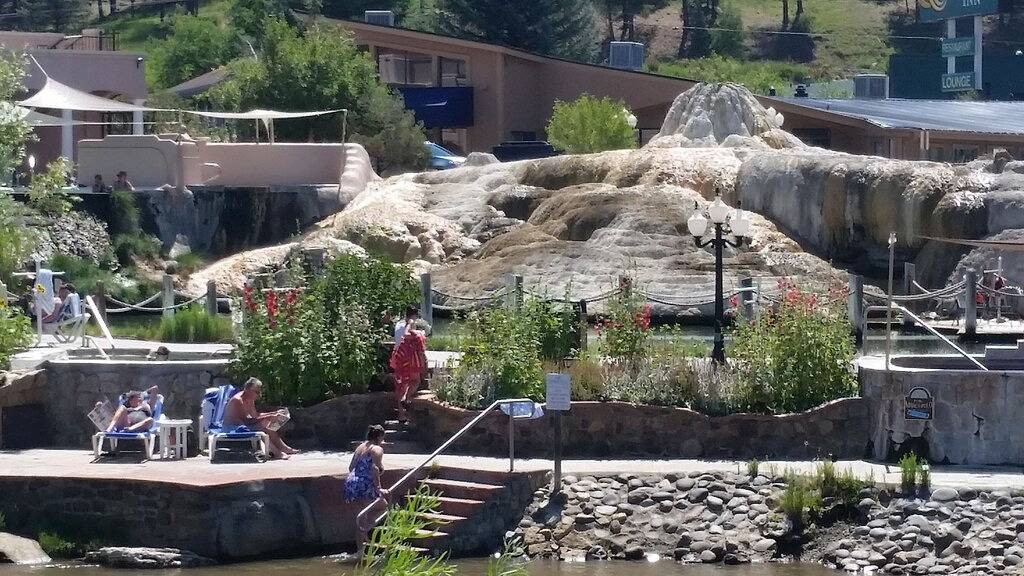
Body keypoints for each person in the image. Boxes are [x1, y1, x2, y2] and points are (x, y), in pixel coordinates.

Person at [223, 377, 298, 460]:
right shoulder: (238, 401)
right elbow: (247, 421)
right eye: (257, 392)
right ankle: (277, 453)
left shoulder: (249, 399)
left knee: (269, 424)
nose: (259, 395)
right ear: (248, 389)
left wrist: (274, 413)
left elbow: (255, 415)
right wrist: (269, 416)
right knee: (262, 427)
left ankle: (283, 448)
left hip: (243, 425)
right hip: (233, 427)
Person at [345, 424, 389, 559]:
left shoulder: (360, 447)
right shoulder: (377, 449)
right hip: (365, 484)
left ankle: (360, 550)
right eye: (383, 438)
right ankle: (367, 530)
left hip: (351, 482)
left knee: (361, 515)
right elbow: (375, 468)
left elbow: (351, 467)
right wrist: (379, 488)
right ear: (379, 437)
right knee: (384, 506)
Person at [390, 316, 428, 424]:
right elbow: (421, 353)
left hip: (401, 362)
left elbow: (403, 336)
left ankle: (401, 415)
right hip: (413, 362)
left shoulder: (404, 332)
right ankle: (407, 398)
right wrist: (424, 365)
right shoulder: (419, 336)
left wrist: (409, 324)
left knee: (401, 386)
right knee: (415, 381)